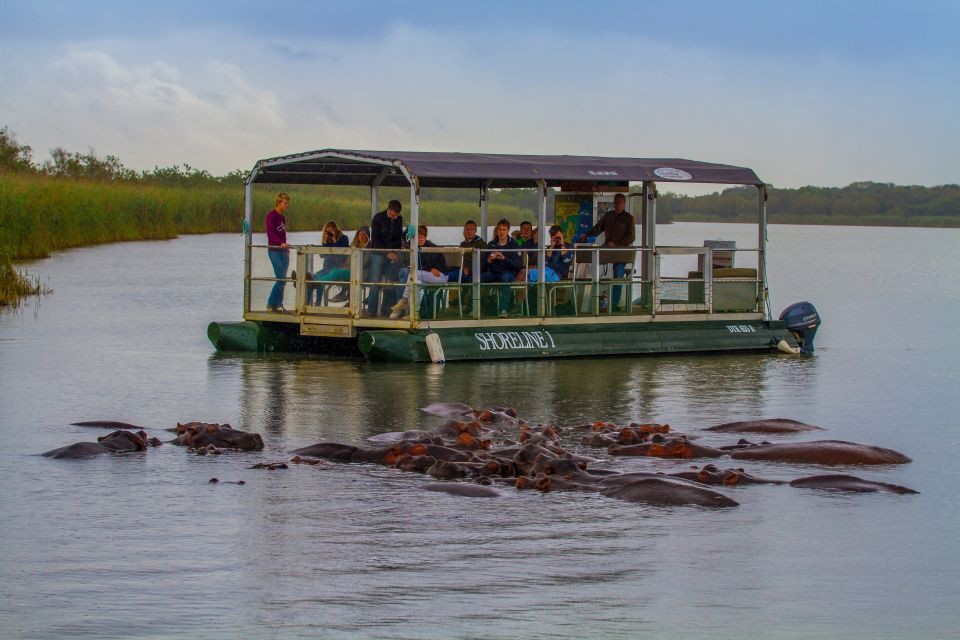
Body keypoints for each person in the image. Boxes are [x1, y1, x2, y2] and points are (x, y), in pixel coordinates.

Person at [580, 192, 635, 308]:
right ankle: (593, 301)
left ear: (624, 204)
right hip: (607, 250)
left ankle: (614, 303)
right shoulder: (608, 216)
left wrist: (616, 244)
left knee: (618, 274)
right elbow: (598, 228)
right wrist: (587, 235)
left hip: (621, 252)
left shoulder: (628, 218)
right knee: (594, 268)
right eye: (615, 202)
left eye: (620, 202)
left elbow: (631, 237)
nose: (617, 205)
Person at [389, 226, 449, 319]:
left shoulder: (431, 247)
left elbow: (429, 265)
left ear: (425, 237)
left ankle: (404, 300)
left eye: (422, 237)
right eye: (417, 237)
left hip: (440, 276)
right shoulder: (415, 246)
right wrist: (409, 228)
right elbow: (403, 238)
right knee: (416, 283)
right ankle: (414, 313)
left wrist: (430, 269)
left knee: (413, 273)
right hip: (425, 275)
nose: (420, 239)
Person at [312, 225, 369, 305]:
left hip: (359, 272)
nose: (361, 237)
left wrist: (346, 267)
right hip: (347, 269)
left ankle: (314, 281)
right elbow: (324, 255)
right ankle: (312, 280)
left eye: (364, 235)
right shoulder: (353, 246)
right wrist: (326, 242)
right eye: (360, 234)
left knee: (336, 272)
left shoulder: (369, 248)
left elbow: (364, 263)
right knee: (332, 271)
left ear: (367, 236)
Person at [365, 199, 404, 316]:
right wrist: (386, 253)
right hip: (378, 254)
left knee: (392, 282)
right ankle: (371, 311)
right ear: (389, 209)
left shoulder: (399, 219)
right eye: (393, 215)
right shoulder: (378, 218)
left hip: (392, 254)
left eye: (397, 216)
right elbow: (375, 239)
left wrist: (396, 252)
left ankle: (387, 310)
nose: (394, 218)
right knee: (375, 283)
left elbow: (397, 238)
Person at [480, 218, 522, 317]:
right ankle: (476, 308)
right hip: (494, 272)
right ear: (497, 230)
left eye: (504, 229)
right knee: (478, 277)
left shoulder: (514, 244)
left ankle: (503, 309)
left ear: (508, 230)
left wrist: (503, 258)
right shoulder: (491, 244)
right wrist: (489, 260)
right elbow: (483, 263)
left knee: (505, 278)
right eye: (499, 229)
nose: (501, 232)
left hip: (509, 273)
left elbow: (517, 265)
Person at [309, 221, 349, 304]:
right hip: (327, 267)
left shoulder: (344, 238)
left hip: (338, 267)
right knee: (311, 280)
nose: (329, 233)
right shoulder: (327, 240)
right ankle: (317, 303)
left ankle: (311, 279)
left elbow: (342, 251)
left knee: (315, 279)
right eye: (327, 231)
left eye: (331, 231)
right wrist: (324, 242)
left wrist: (335, 240)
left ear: (335, 229)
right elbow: (323, 255)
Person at [265, 192, 290, 312]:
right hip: (274, 250)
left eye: (287, 203)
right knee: (281, 278)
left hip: (283, 251)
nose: (287, 205)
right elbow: (270, 233)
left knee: (283, 279)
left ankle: (278, 304)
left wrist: (285, 246)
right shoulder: (271, 215)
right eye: (285, 203)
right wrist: (280, 243)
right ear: (278, 202)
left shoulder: (282, 217)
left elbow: (282, 234)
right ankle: (271, 304)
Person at [445, 219, 487, 283]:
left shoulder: (481, 244)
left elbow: (483, 262)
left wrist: (469, 269)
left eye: (472, 229)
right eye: (467, 229)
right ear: (464, 231)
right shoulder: (462, 244)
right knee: (442, 274)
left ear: (475, 231)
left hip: (472, 272)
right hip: (460, 268)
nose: (469, 232)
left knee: (446, 277)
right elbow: (459, 259)